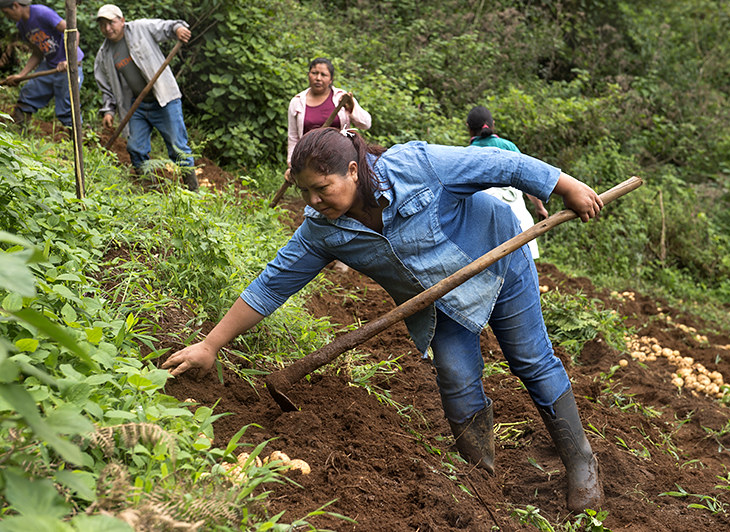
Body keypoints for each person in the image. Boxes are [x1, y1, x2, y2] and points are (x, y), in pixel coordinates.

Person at [162, 127, 604, 512]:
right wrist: (211, 344)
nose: (313, 201)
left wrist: (565, 186)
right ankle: (481, 476)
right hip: (437, 299)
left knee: (529, 357)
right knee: (454, 375)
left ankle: (581, 459)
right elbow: (272, 284)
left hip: (495, 256)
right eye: (305, 192)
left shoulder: (417, 164)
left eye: (322, 188)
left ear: (353, 172)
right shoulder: (321, 229)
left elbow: (499, 164)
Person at [93, 4, 198, 191]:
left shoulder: (140, 28)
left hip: (164, 99)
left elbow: (166, 27)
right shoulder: (104, 54)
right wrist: (108, 110)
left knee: (178, 147)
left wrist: (178, 29)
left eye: (111, 23)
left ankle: (193, 192)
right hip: (137, 106)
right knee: (135, 148)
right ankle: (149, 189)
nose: (107, 29)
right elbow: (106, 86)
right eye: (102, 25)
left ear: (122, 20)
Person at [467, 105, 547, 259]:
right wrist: (540, 207)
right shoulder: (508, 147)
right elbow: (527, 180)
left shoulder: (468, 153)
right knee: (523, 263)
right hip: (517, 217)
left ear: (468, 128)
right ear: (493, 124)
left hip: (486, 221)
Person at [0, 0, 84, 128]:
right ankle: (22, 132)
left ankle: (78, 139)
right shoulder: (22, 25)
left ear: (16, 5)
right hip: (50, 65)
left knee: (68, 107)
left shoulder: (41, 12)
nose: (7, 17)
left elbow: (73, 32)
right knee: (28, 95)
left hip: (69, 67)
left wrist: (68, 60)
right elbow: (37, 53)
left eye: (7, 13)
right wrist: (21, 75)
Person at [286, 57, 371, 179]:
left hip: (341, 158)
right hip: (310, 160)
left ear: (331, 79)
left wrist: (351, 109)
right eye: (314, 73)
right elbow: (293, 137)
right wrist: (292, 165)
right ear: (308, 75)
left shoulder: (341, 98)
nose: (318, 78)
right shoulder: (297, 102)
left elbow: (366, 124)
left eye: (323, 75)